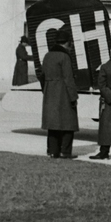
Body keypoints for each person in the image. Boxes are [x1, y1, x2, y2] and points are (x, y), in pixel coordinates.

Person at [39, 28, 79, 158]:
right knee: (68, 123)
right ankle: (65, 151)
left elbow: (42, 75)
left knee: (53, 123)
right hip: (63, 92)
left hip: (50, 91)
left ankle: (52, 150)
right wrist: (73, 96)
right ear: (67, 43)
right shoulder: (65, 56)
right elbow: (68, 78)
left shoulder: (47, 55)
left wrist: (46, 90)